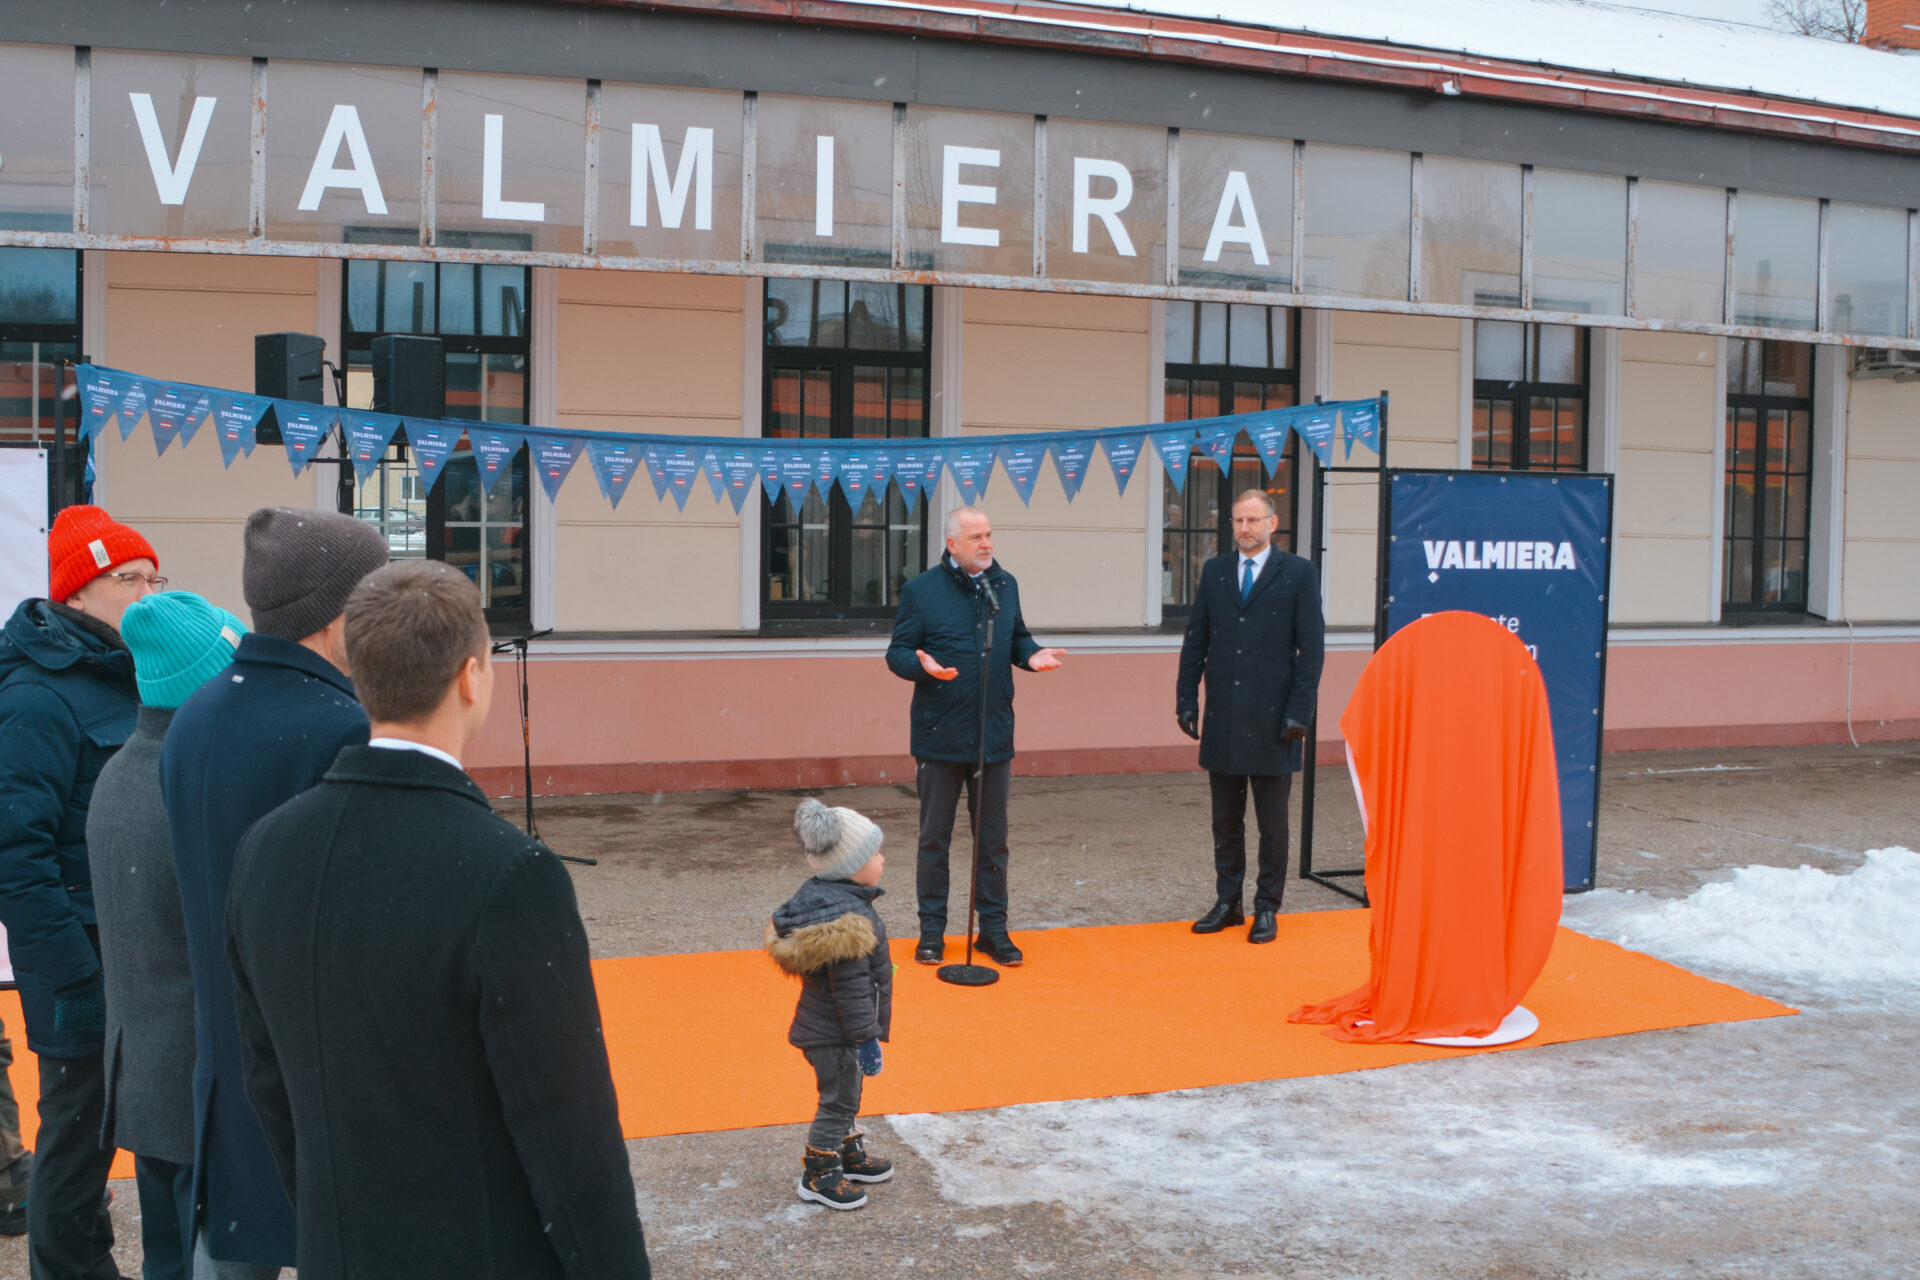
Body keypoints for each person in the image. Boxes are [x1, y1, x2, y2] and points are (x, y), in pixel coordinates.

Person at [224, 559, 651, 1279]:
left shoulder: (265, 847)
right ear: (470, 677)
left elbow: (267, 1081)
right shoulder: (509, 872)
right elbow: (568, 1130)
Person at [161, 507, 388, 1277]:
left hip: (225, 1061)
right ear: (337, 610)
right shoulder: (341, 727)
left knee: (230, 1254)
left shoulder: (195, 715)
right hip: (317, 1074)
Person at [0, 503, 161, 1280]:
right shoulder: (36, 696)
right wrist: (72, 975)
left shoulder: (126, 674)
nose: (146, 594)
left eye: (154, 578)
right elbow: (16, 855)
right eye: (128, 579)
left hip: (127, 944)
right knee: (77, 1124)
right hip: (75, 959)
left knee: (110, 1117)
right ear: (77, 592)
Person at [87, 592, 246, 1280]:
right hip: (194, 1078)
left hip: (146, 1070)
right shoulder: (190, 782)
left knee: (167, 1254)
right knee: (195, 1258)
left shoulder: (122, 768)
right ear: (202, 683)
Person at [885, 506, 1065, 968]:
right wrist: (920, 665)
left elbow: (1017, 637)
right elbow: (897, 652)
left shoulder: (1004, 584)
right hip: (940, 734)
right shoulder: (921, 590)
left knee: (993, 840)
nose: (986, 544)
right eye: (976, 537)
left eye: (988, 535)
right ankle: (931, 933)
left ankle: (993, 931)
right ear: (952, 544)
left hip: (993, 734)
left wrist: (1031, 656)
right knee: (934, 840)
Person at [1175, 488, 1326, 944]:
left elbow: (1311, 650)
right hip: (1224, 715)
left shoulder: (1298, 573)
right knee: (1225, 821)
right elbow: (1196, 638)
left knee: (1272, 824)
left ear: (1271, 524)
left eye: (1253, 520)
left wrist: (1299, 712)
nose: (1244, 528)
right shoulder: (1216, 571)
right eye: (1238, 520)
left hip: (1275, 720)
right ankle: (1228, 903)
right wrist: (1186, 697)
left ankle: (1266, 906)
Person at [767, 798, 895, 1211]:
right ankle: (819, 1173)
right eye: (875, 853)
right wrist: (866, 1039)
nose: (882, 859)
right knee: (838, 1099)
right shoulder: (847, 923)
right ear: (851, 867)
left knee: (846, 1093)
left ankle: (846, 1152)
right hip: (836, 1032)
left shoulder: (834, 900)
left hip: (829, 1029)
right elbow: (851, 992)